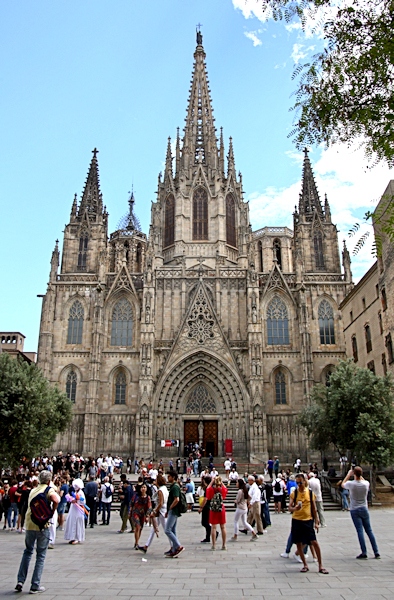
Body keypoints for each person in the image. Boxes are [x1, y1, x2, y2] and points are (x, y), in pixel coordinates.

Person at [15, 470, 59, 594]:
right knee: (40, 555)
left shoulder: (33, 490)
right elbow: (56, 500)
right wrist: (52, 512)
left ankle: (20, 581)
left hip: (29, 524)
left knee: (27, 552)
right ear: (49, 480)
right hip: (42, 525)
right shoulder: (49, 489)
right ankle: (35, 585)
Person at [288, 473, 329, 574]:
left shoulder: (310, 493)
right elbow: (289, 507)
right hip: (297, 520)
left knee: (314, 542)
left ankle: (320, 565)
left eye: (300, 482)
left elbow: (314, 509)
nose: (299, 484)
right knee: (298, 543)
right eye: (297, 483)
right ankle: (305, 564)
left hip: (308, 520)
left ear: (304, 481)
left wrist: (316, 521)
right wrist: (295, 508)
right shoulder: (294, 493)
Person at [341, 467, 380, 559]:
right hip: (364, 508)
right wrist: (357, 474)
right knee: (369, 530)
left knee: (360, 531)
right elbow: (363, 480)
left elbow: (343, 484)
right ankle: (376, 551)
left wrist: (348, 475)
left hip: (354, 509)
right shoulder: (366, 484)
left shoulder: (351, 484)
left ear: (354, 474)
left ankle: (364, 552)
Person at [138, 473, 168, 554]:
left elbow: (160, 503)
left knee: (167, 530)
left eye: (156, 480)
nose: (154, 482)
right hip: (162, 511)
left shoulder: (160, 490)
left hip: (161, 511)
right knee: (153, 529)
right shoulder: (165, 488)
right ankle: (146, 546)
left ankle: (174, 546)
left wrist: (154, 511)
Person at [164, 471, 184, 557]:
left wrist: (170, 508)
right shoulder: (174, 486)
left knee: (167, 530)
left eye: (169, 477)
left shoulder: (175, 487)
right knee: (172, 530)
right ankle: (174, 548)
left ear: (173, 477)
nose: (167, 478)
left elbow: (177, 499)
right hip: (173, 510)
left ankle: (178, 546)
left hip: (174, 510)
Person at [205, 475, 228, 550]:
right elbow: (225, 490)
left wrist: (212, 481)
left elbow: (207, 489)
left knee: (213, 528)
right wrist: (221, 482)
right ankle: (224, 545)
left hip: (213, 509)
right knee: (223, 527)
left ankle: (214, 545)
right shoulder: (222, 490)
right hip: (221, 509)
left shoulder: (212, 490)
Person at [64, 478, 86, 545]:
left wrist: (76, 501)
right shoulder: (76, 492)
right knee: (72, 521)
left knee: (77, 523)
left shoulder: (81, 493)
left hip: (78, 510)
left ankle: (77, 538)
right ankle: (72, 537)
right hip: (73, 509)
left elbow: (83, 502)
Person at [131, 483, 152, 550]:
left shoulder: (148, 497)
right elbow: (131, 504)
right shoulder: (136, 496)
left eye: (144, 487)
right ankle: (137, 543)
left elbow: (149, 507)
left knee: (140, 528)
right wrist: (130, 512)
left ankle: (136, 541)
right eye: (142, 487)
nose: (143, 489)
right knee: (137, 527)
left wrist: (147, 515)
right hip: (135, 513)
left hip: (142, 514)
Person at [197, 476, 212, 543]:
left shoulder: (207, 489)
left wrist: (201, 507)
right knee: (207, 522)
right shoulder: (211, 488)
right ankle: (208, 537)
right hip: (209, 506)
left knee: (204, 522)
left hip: (206, 507)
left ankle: (213, 532)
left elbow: (205, 499)